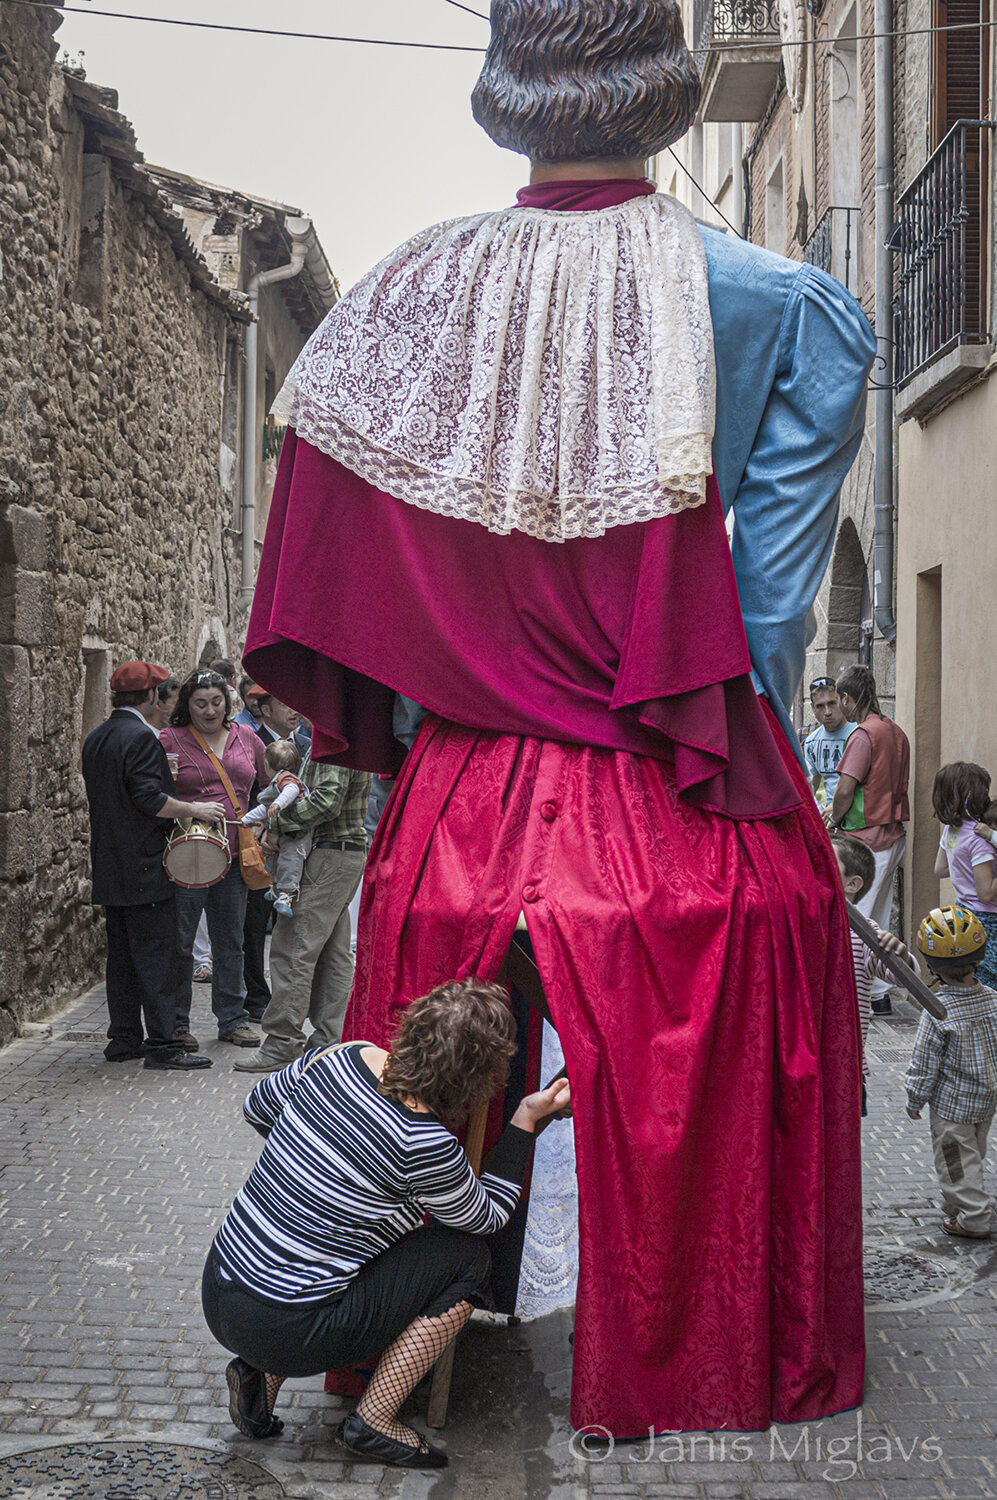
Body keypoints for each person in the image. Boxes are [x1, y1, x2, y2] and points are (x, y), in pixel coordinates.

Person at [244, 0, 875, 1436]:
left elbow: (384, 606)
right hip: (681, 784)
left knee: (447, 1062)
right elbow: (762, 620)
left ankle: (414, 1335)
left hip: (461, 807)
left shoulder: (410, 298)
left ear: (504, 95)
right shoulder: (777, 302)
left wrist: (454, 719)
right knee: (688, 1063)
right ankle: (687, 1335)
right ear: (662, 93)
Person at [202, 979, 571, 1468]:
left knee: (320, 1262)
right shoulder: (425, 1142)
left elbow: (257, 1108)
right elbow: (485, 1218)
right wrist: (525, 1119)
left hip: (220, 1292)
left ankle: (259, 1376)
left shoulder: (338, 1057)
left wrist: (320, 1166)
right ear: (475, 1078)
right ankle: (373, 1420)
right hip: (291, 1330)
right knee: (467, 1260)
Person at [81, 659, 217, 1071]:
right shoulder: (140, 738)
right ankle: (162, 1044)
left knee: (121, 958)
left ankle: (123, 1039)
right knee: (158, 957)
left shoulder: (98, 736)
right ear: (152, 696)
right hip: (144, 866)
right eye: (166, 694)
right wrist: (196, 808)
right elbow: (149, 800)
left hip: (111, 863)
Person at [233, 747, 371, 1073]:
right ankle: (328, 1044)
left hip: (327, 855)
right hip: (340, 854)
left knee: (292, 950)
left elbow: (327, 800)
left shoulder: (334, 739)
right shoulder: (343, 736)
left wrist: (276, 821)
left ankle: (282, 1044)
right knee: (334, 954)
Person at [160, 671, 268, 1048]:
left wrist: (275, 805)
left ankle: (233, 1020)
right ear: (186, 704)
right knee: (181, 944)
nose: (209, 711)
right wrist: (192, 808)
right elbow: (156, 792)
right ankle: (175, 1024)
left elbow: (268, 784)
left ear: (228, 702)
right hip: (189, 854)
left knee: (230, 943)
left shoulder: (246, 737)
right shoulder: (170, 740)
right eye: (200, 703)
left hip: (235, 854)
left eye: (216, 702)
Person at [905, 905, 997, 1239]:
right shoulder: (993, 1000)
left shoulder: (937, 1011)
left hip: (952, 1107)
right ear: (979, 958)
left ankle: (972, 1217)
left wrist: (915, 1097)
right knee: (972, 1150)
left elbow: (925, 1061)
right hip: (986, 1100)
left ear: (932, 966)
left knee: (954, 1160)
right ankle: (959, 1198)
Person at [828, 664, 910, 1014]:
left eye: (839, 700)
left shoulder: (863, 735)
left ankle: (853, 991)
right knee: (878, 916)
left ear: (848, 697)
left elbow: (846, 790)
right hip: (892, 834)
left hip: (865, 837)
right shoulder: (895, 730)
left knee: (857, 919)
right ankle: (878, 993)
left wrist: (832, 819)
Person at [832, 834, 915, 1113]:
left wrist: (900, 955)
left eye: (824, 863)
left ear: (852, 884)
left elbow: (903, 978)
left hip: (845, 1069)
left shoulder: (865, 934)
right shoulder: (793, 924)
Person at [931, 763, 997, 993]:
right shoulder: (980, 838)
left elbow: (940, 869)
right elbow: (986, 893)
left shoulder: (951, 830)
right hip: (989, 920)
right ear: (970, 795)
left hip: (963, 911)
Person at [241, 738, 311, 917]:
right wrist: (246, 819)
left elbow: (291, 791)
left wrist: (278, 804)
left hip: (296, 833)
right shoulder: (277, 782)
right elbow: (264, 806)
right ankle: (275, 887)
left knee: (290, 860)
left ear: (266, 764)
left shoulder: (286, 778)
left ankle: (286, 895)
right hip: (283, 831)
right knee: (273, 856)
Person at [805, 677, 856, 807]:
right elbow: (809, 788)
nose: (827, 712)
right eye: (820, 706)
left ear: (842, 700)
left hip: (859, 820)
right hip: (830, 821)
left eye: (832, 703)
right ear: (812, 707)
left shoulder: (860, 732)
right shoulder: (812, 743)